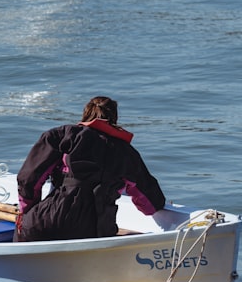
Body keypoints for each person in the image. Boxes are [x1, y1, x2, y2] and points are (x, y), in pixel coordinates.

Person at [15, 96, 166, 242]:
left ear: (85, 114)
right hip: (97, 231)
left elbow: (28, 179)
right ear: (114, 119)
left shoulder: (63, 136)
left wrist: (28, 211)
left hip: (50, 221)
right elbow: (151, 203)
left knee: (26, 226)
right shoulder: (128, 154)